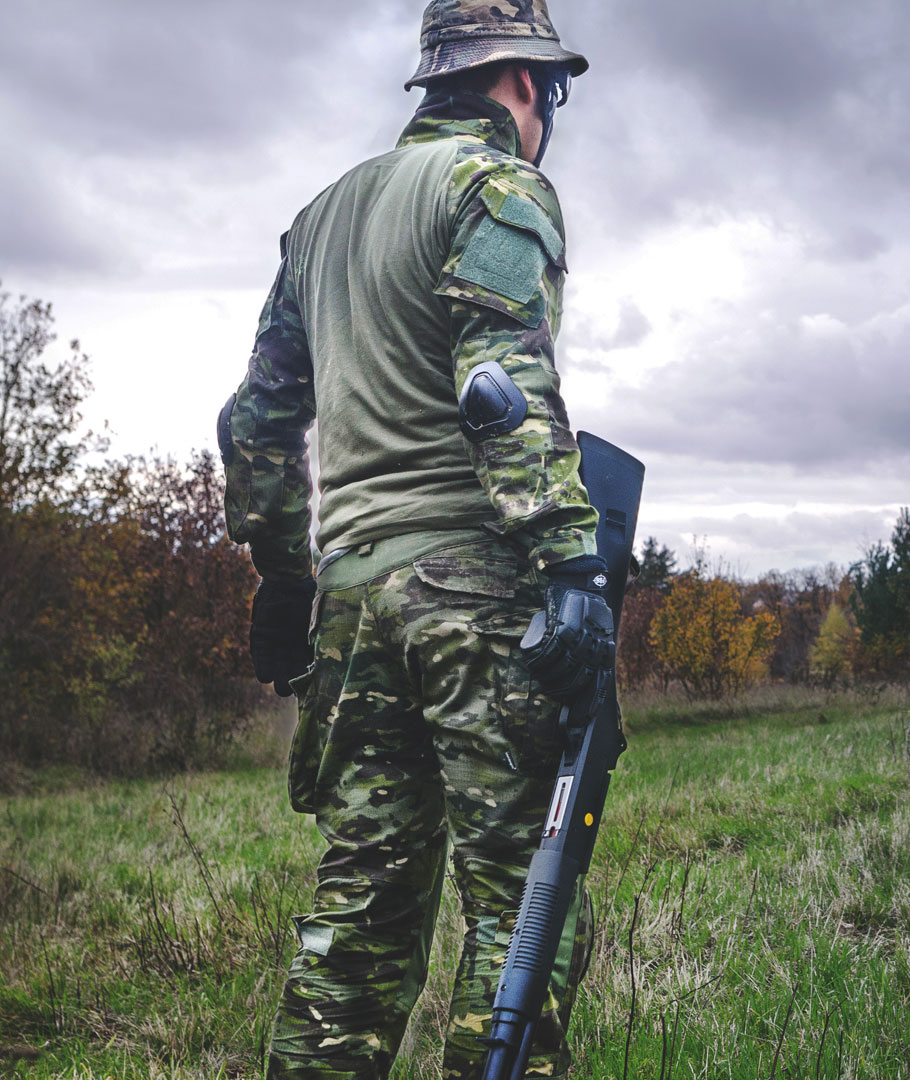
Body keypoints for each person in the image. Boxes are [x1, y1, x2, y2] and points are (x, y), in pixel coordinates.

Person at [217, 2, 612, 1076]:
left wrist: (284, 573)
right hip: (473, 594)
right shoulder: (497, 188)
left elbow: (255, 424)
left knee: (361, 910)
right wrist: (571, 558)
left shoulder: (322, 218)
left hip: (350, 602)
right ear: (528, 85)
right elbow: (501, 384)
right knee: (519, 904)